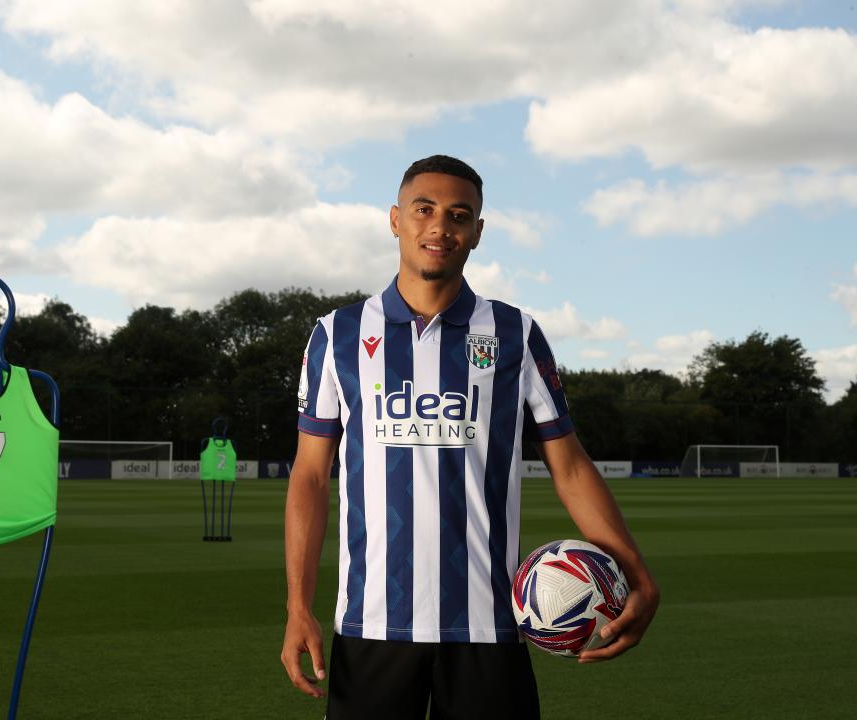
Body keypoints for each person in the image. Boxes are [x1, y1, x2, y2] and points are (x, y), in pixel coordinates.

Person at [281, 155, 659, 719]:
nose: (440, 226)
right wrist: (298, 605)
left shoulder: (514, 333)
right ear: (395, 219)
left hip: (491, 625)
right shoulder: (336, 336)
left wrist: (637, 573)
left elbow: (571, 467)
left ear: (477, 232)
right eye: (424, 210)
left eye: (460, 215)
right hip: (373, 622)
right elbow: (311, 475)